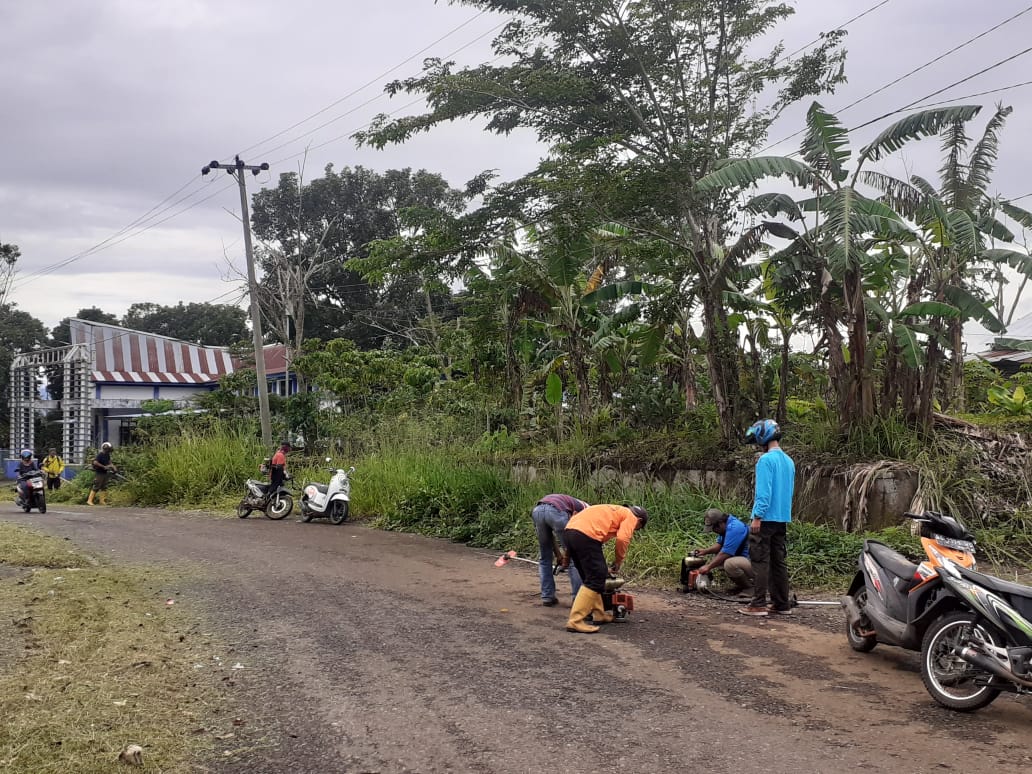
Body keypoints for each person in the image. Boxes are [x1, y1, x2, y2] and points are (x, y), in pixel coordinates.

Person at [739, 419, 796, 617]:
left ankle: (758, 604)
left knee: (760, 561)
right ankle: (782, 604)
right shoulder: (789, 461)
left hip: (765, 519)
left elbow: (763, 493)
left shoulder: (765, 461)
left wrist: (757, 516)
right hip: (782, 518)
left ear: (764, 437)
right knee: (778, 561)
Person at [562, 503, 648, 633]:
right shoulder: (631, 516)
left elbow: (579, 531)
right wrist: (618, 562)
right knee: (596, 578)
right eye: (637, 528)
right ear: (639, 521)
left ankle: (598, 614)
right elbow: (623, 539)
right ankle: (575, 620)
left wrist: (566, 558)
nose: (634, 529)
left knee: (590, 577)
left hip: (570, 532)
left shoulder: (613, 511)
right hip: (586, 535)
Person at [531, 494, 589, 606]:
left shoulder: (574, 503)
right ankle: (578, 599)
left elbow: (550, 538)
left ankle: (547, 597)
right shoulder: (587, 510)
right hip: (557, 511)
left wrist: (559, 555)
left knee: (545, 558)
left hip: (537, 511)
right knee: (574, 559)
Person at [686, 508, 753, 596]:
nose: (713, 531)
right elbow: (719, 545)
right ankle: (741, 586)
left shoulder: (735, 528)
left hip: (756, 563)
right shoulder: (726, 527)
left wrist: (708, 567)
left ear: (720, 523)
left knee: (729, 563)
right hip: (746, 560)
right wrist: (705, 551)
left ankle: (750, 588)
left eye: (713, 528)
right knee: (719, 559)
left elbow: (725, 553)